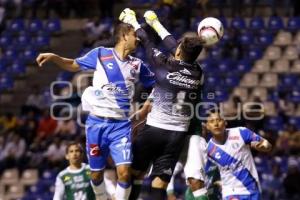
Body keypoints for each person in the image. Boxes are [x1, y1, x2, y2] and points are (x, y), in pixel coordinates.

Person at [36, 22, 155, 200]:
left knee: (124, 173)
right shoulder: (100, 54)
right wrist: (54, 57)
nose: (137, 38)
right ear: (123, 36)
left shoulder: (137, 64)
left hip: (121, 126)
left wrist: (148, 104)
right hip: (96, 124)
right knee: (96, 175)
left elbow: (157, 83)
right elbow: (73, 65)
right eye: (133, 34)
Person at [119, 8, 204, 200]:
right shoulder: (199, 73)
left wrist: (134, 21)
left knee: (134, 173)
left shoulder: (164, 66)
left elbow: (146, 41)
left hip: (154, 129)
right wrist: (155, 23)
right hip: (177, 135)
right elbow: (177, 48)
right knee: (160, 184)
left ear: (179, 51)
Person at [205, 109, 272, 199]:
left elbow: (265, 144)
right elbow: (210, 174)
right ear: (207, 126)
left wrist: (263, 146)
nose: (216, 124)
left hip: (252, 190)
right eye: (212, 121)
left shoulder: (241, 132)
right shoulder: (208, 149)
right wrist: (218, 182)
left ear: (225, 122)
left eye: (219, 120)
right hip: (230, 192)